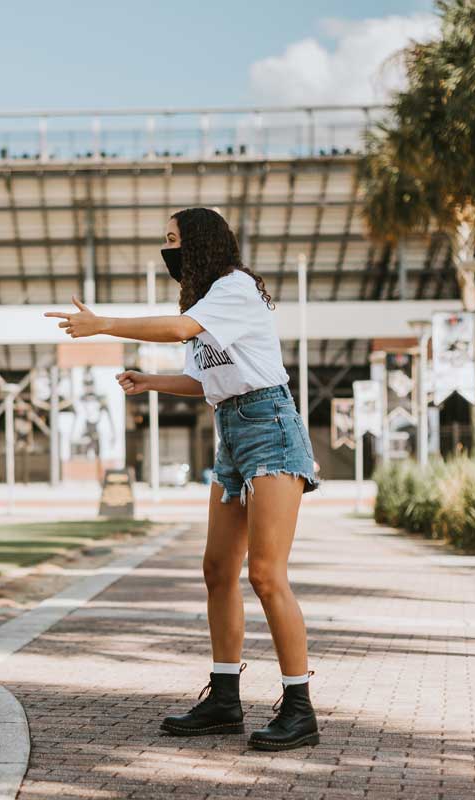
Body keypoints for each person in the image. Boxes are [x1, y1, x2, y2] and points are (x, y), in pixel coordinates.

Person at [45, 207, 320, 752]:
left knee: (266, 574)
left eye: (174, 241)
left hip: (270, 426)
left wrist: (103, 324)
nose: (168, 251)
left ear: (199, 242)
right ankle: (224, 698)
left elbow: (177, 330)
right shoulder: (208, 302)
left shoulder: (235, 288)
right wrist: (150, 383)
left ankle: (299, 706)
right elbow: (204, 381)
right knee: (218, 568)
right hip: (232, 432)